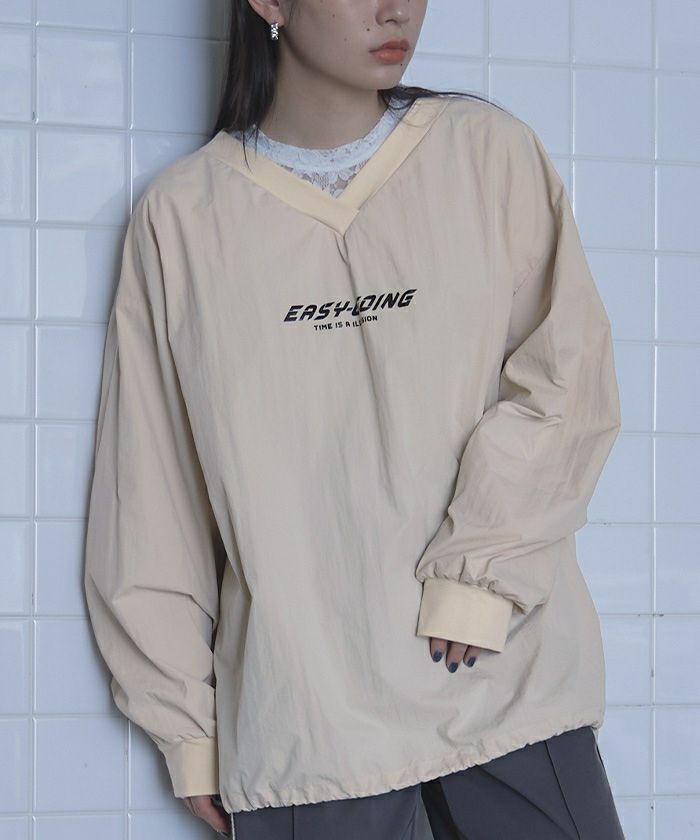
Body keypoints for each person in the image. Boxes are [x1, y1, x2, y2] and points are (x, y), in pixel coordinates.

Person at [83, 1, 627, 838]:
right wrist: (186, 727)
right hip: (309, 722)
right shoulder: (183, 218)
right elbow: (149, 494)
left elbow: (568, 381)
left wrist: (479, 577)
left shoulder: (487, 154)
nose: (395, 8)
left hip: (505, 678)